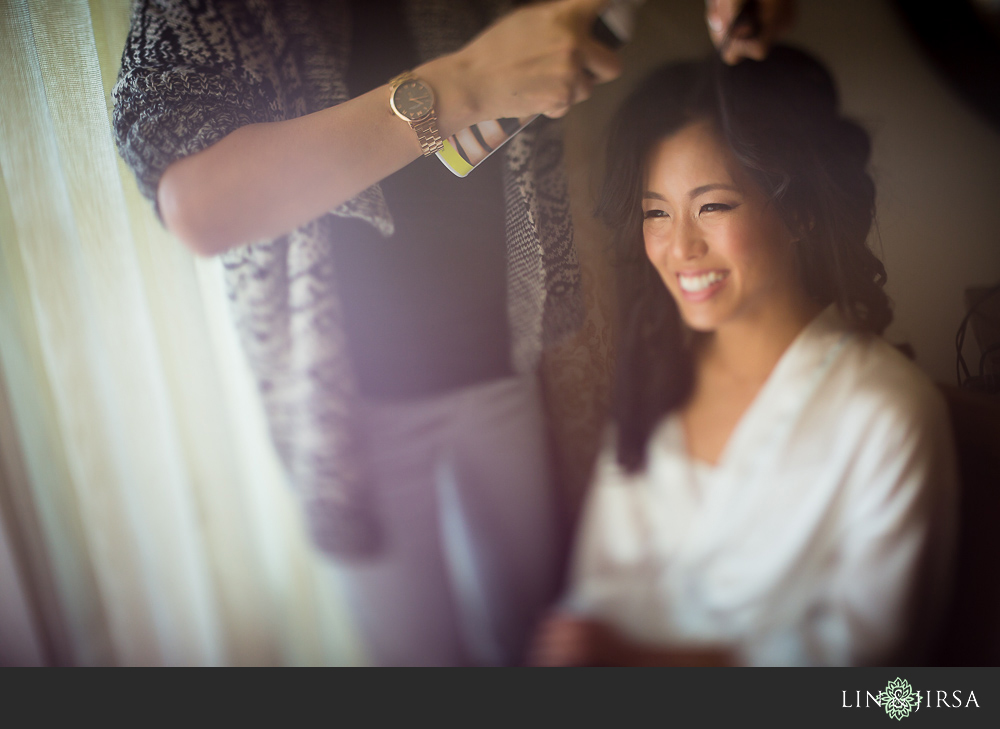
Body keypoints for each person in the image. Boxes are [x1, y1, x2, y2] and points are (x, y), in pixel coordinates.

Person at [113, 0, 794, 666]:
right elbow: (197, 204)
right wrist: (463, 85)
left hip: (511, 362)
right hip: (350, 409)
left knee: (540, 632)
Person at [528, 46, 958, 667]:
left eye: (713, 206)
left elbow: (878, 680)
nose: (680, 247)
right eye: (656, 213)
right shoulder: (658, 376)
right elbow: (595, 590)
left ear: (800, 211)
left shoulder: (886, 414)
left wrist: (649, 662)